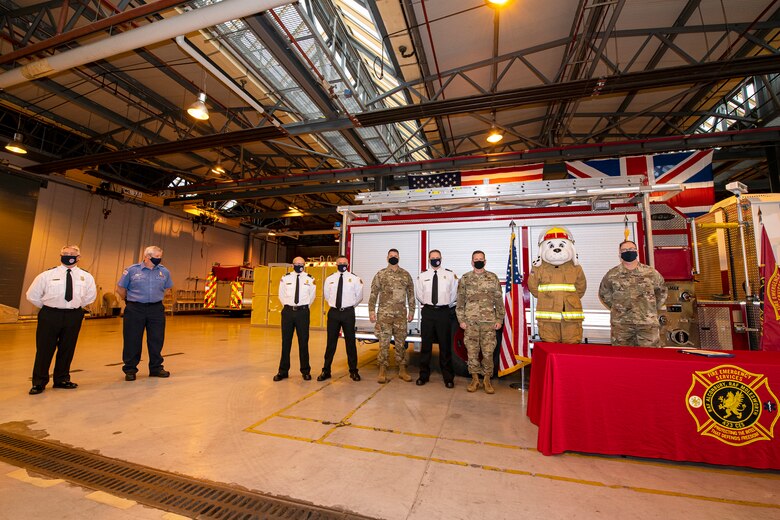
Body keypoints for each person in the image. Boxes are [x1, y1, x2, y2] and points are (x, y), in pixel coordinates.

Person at [26, 245, 96, 395]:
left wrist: (73, 306)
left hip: (73, 315)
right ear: (60, 255)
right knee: (44, 349)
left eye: (72, 254)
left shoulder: (86, 277)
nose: (69, 256)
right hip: (50, 315)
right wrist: (49, 307)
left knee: (67, 348)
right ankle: (39, 382)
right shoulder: (46, 275)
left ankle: (62, 379)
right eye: (65, 253)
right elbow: (32, 295)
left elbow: (90, 296)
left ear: (79, 257)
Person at [117, 246, 173, 381]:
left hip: (156, 309)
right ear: (147, 257)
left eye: (160, 257)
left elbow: (168, 288)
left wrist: (156, 298)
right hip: (135, 309)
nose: (159, 259)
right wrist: (129, 301)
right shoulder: (132, 270)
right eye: (157, 257)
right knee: (132, 339)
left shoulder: (164, 272)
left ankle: (156, 368)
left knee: (156, 339)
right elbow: (120, 288)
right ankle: (130, 369)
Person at [598, 240, 668, 347]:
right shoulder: (612, 274)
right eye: (624, 250)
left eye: (631, 249)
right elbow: (604, 294)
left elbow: (662, 292)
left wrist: (650, 309)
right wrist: (619, 308)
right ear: (620, 254)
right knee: (623, 358)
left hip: (647, 325)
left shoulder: (651, 273)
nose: (628, 252)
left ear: (637, 251)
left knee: (650, 358)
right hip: (622, 325)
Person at [456, 250, 504, 394]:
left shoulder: (492, 278)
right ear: (472, 262)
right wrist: (461, 320)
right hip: (471, 323)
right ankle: (475, 378)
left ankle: (487, 379)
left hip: (489, 323)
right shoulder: (465, 278)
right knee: (472, 352)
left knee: (488, 352)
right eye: (476, 259)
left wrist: (499, 319)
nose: (478, 261)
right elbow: (460, 302)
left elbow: (498, 301)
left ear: (485, 261)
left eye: (481, 259)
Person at [527, 226, 586, 343]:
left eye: (562, 245)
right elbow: (532, 287)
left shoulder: (576, 268)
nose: (557, 249)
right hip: (548, 319)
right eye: (551, 246)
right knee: (550, 347)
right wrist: (546, 299)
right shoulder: (539, 268)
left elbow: (581, 288)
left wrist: (570, 299)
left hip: (570, 317)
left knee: (572, 346)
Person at [368, 248, 415, 384]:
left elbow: (411, 294)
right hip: (384, 315)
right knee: (384, 343)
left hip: (400, 315)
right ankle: (382, 369)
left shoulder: (405, 275)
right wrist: (371, 311)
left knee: (401, 344)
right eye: (391, 256)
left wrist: (412, 311)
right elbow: (373, 293)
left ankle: (402, 369)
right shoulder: (381, 274)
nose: (393, 257)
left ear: (399, 258)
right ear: (387, 258)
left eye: (395, 256)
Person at [414, 249, 457, 388]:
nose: (435, 260)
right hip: (428, 312)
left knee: (445, 347)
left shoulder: (450, 275)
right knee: (426, 346)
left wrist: (443, 305)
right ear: (428, 259)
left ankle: (448, 377)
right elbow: (420, 295)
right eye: (432, 258)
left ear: (441, 258)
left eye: (437, 257)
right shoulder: (422, 276)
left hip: (443, 312)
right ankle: (423, 375)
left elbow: (453, 295)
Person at [317, 256, 364, 382]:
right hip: (333, 313)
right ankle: (326, 370)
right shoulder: (330, 279)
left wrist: (349, 306)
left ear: (348, 264)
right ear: (336, 264)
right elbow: (327, 296)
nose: (342, 264)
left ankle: (353, 371)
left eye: (344, 263)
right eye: (339, 263)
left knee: (350, 343)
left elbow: (359, 296)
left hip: (348, 313)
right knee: (331, 343)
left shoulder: (354, 279)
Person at [274, 257, 316, 381]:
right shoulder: (285, 278)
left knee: (303, 342)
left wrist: (302, 307)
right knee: (286, 342)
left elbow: (312, 297)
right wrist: (288, 306)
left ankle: (305, 371)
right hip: (287, 312)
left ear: (304, 265)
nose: (299, 265)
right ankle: (283, 371)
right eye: (296, 263)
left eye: (301, 264)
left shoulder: (310, 279)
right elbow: (281, 295)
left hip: (303, 312)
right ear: (293, 265)